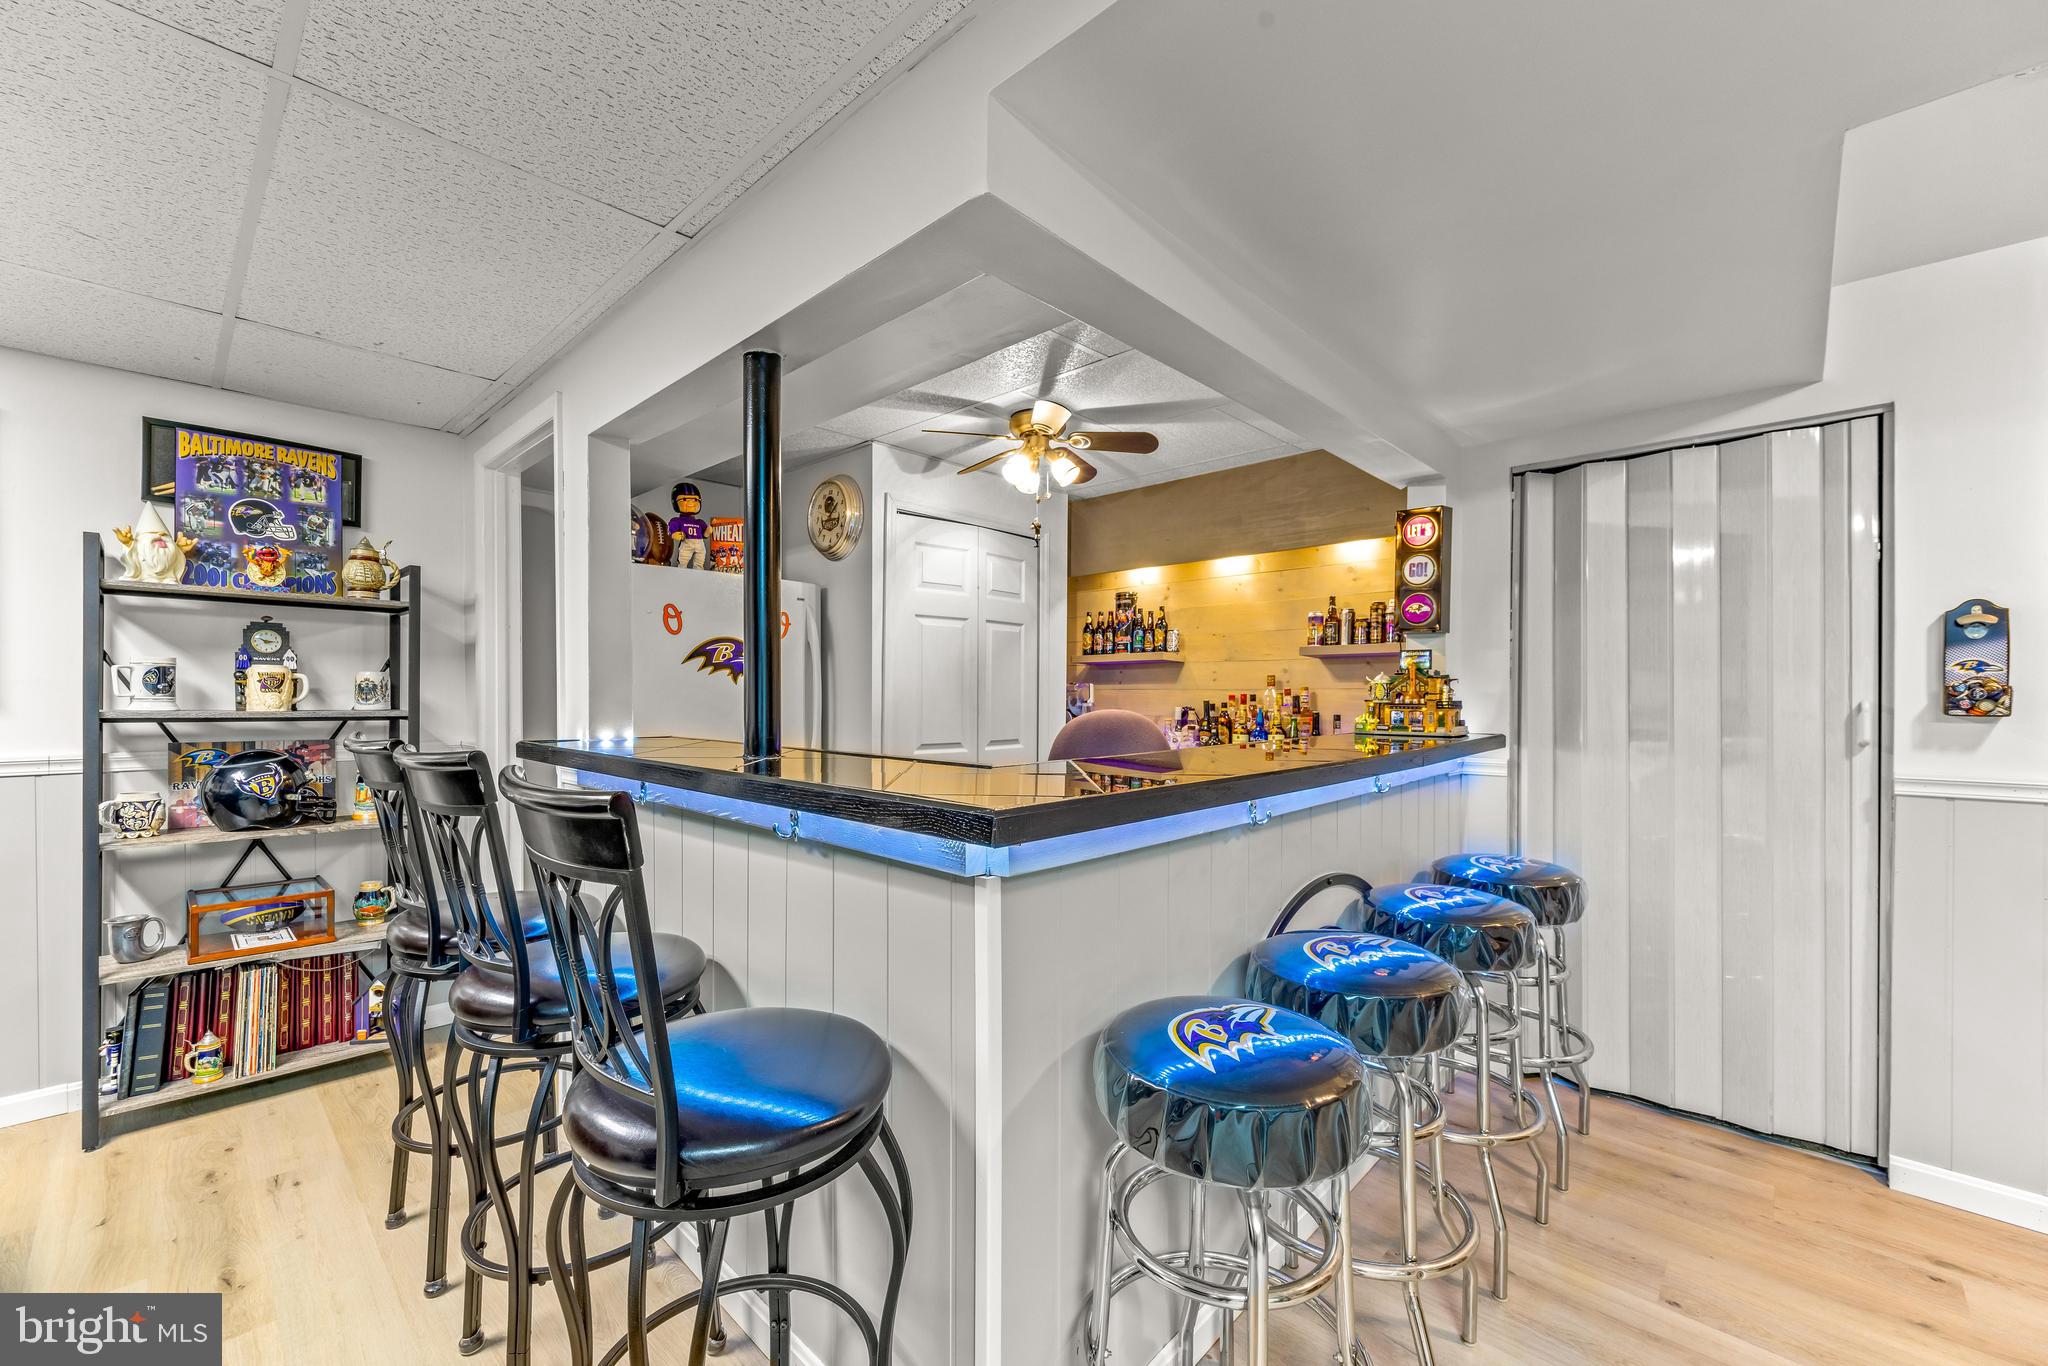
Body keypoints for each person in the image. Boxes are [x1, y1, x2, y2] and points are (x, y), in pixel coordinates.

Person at [668, 481, 708, 569]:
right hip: (686, 542)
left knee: (700, 559)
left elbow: (705, 534)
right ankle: (682, 568)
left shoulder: (699, 522)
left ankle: (699, 569)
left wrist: (708, 531)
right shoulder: (678, 521)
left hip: (699, 544)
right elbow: (672, 531)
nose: (690, 503)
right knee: (683, 559)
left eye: (695, 500)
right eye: (685, 500)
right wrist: (675, 534)